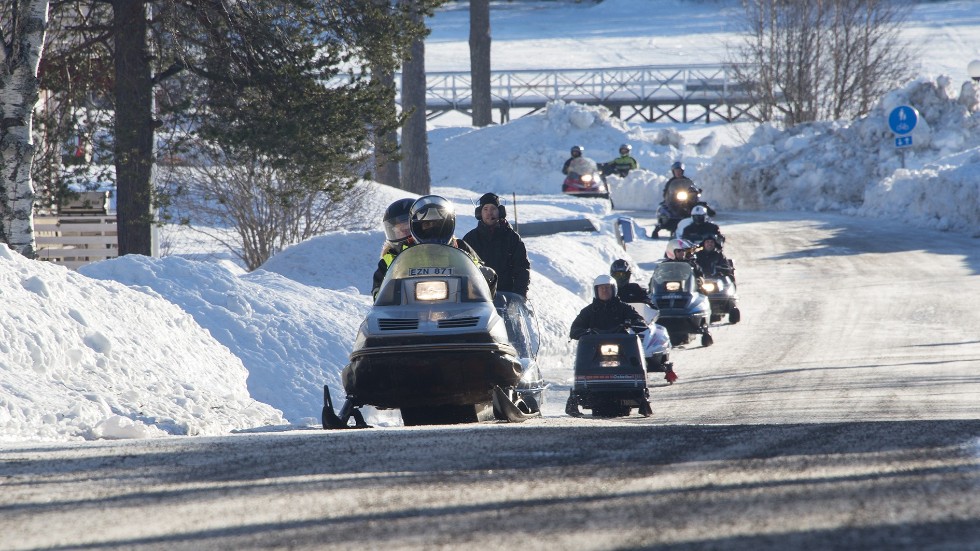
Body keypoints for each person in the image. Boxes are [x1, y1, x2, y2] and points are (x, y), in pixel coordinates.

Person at [373, 195, 497, 298]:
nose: (431, 228)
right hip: (407, 308)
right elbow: (378, 291)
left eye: (436, 224)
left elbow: (475, 265)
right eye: (426, 224)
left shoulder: (458, 246)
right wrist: (388, 295)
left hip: (456, 304)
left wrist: (483, 274)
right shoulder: (396, 254)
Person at [566, 274, 649, 416]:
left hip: (622, 351)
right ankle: (579, 394)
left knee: (634, 353)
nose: (604, 291)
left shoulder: (624, 308)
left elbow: (641, 323)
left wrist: (632, 322)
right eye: (601, 288)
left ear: (614, 290)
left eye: (607, 288)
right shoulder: (589, 311)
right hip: (594, 352)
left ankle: (638, 390)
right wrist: (586, 332)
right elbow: (574, 330)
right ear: (596, 291)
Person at [610, 259, 678, 383]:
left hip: (638, 322)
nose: (620, 278)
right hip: (618, 324)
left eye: (622, 275)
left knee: (659, 332)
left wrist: (649, 305)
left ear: (628, 275)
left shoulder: (635, 289)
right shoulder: (610, 292)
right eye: (617, 275)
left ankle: (659, 359)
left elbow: (647, 301)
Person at [462, 193, 531, 298]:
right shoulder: (469, 239)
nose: (489, 213)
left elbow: (522, 269)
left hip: (507, 299)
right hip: (478, 300)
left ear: (501, 212)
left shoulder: (512, 238)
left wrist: (519, 297)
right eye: (485, 209)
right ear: (479, 213)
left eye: (493, 208)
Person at [372, 198, 416, 299]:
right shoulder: (388, 260)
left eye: (408, 228)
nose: (405, 233)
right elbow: (377, 294)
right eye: (400, 230)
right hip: (403, 309)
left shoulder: (440, 248)